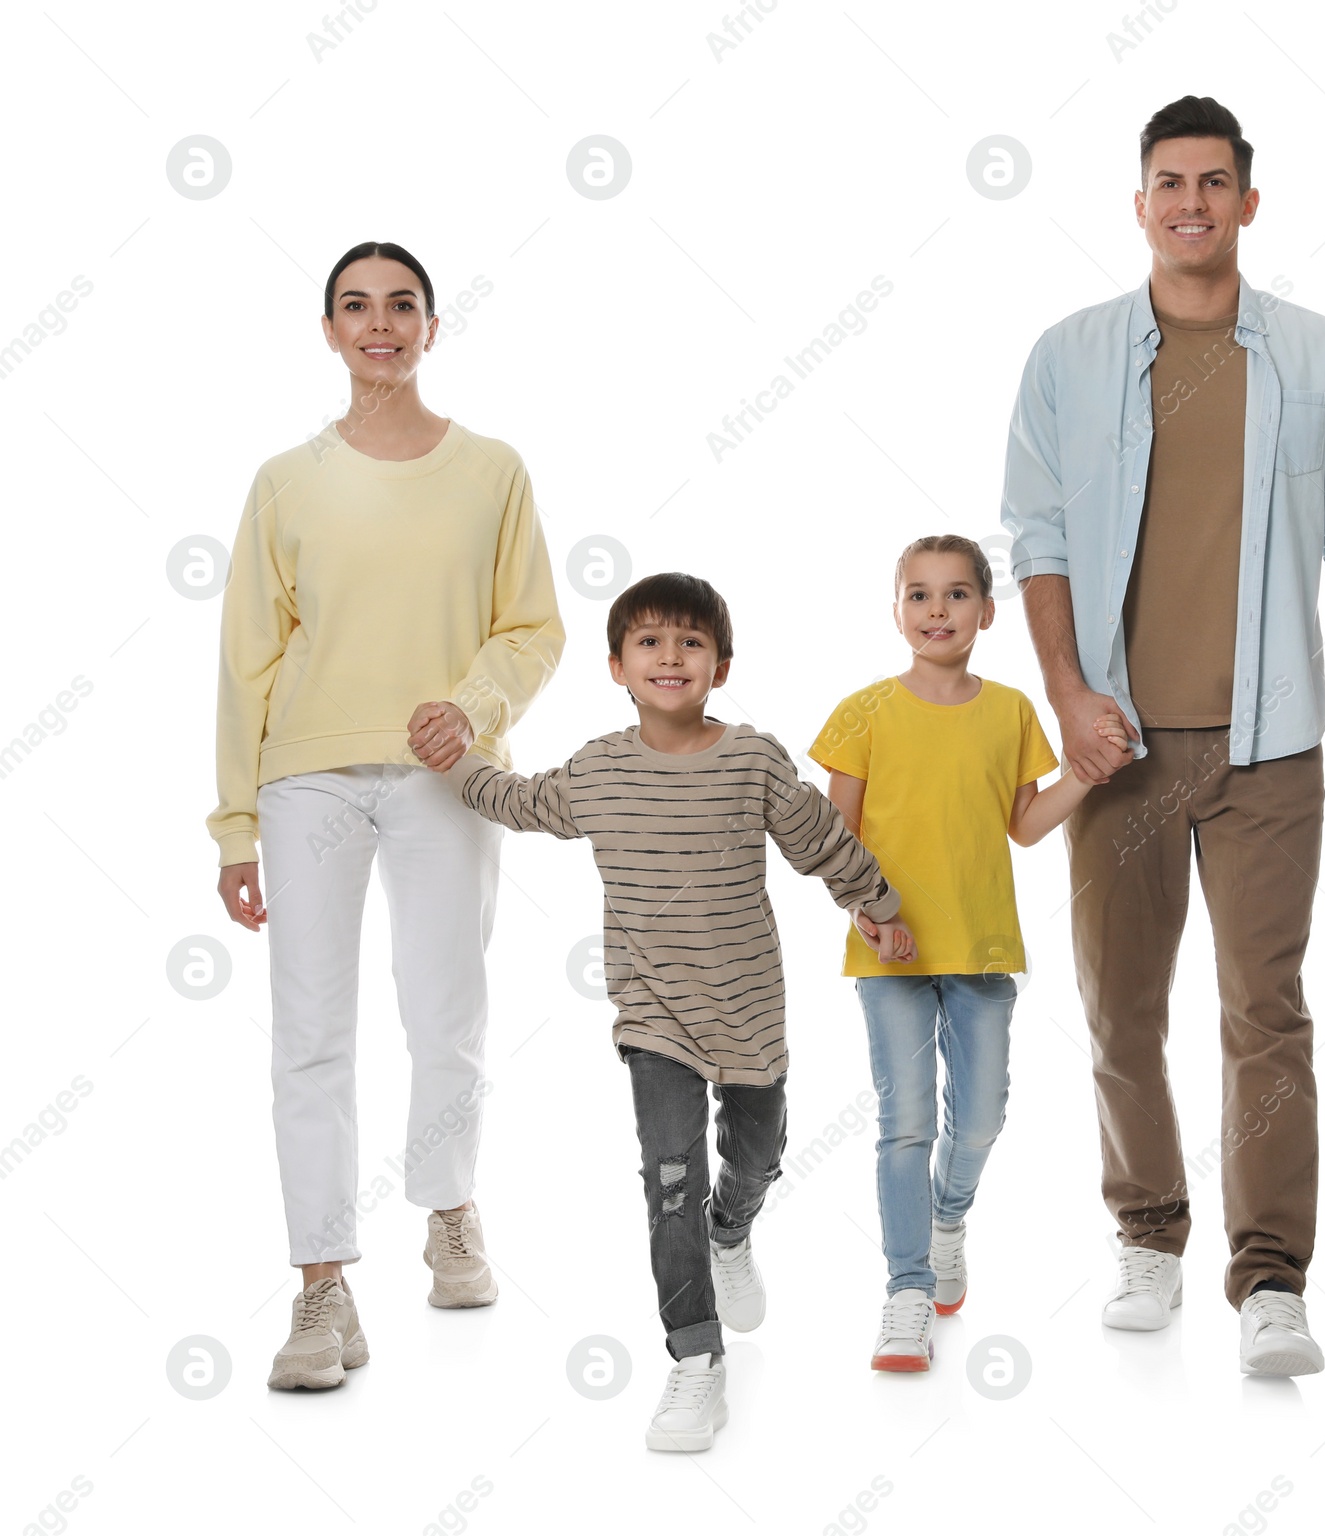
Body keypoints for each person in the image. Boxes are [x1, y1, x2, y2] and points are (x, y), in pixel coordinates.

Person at [1002, 96, 1325, 1376]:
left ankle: (1271, 1277)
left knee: (1263, 1012)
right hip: (1116, 750)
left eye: (1213, 182)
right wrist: (1067, 698)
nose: (1190, 202)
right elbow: (1041, 541)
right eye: (1168, 182)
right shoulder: (1066, 356)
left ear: (1247, 201)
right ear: (1137, 204)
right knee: (1118, 1007)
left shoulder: (1322, 354)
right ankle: (1148, 1234)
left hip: (1269, 743)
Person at [433, 571, 916, 1450]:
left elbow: (820, 841)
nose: (670, 656)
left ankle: (734, 1231)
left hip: (749, 1012)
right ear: (617, 665)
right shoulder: (601, 769)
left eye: (690, 642)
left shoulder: (754, 759)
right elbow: (519, 801)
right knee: (668, 1182)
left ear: (720, 667)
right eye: (649, 642)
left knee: (759, 1150)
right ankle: (696, 1360)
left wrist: (878, 906)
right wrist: (460, 759)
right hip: (653, 1017)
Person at [208, 241, 565, 1390]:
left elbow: (532, 628)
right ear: (328, 331)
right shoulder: (286, 480)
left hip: (445, 779)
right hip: (306, 777)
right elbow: (246, 661)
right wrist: (233, 828)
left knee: (446, 1012)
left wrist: (469, 711)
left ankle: (449, 1211)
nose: (379, 324)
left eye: (400, 306)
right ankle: (320, 1291)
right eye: (355, 307)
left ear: (431, 327)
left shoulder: (494, 470)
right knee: (309, 1036)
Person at [810, 535, 1125, 1372]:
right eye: (918, 595)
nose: (936, 610)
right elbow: (833, 840)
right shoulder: (862, 713)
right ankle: (906, 1291)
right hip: (890, 956)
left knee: (980, 1116)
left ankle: (948, 1217)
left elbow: (1023, 825)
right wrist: (868, 917)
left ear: (987, 612)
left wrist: (1087, 776)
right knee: (903, 1124)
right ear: (896, 611)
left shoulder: (1013, 711)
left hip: (982, 948)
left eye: (955, 596)